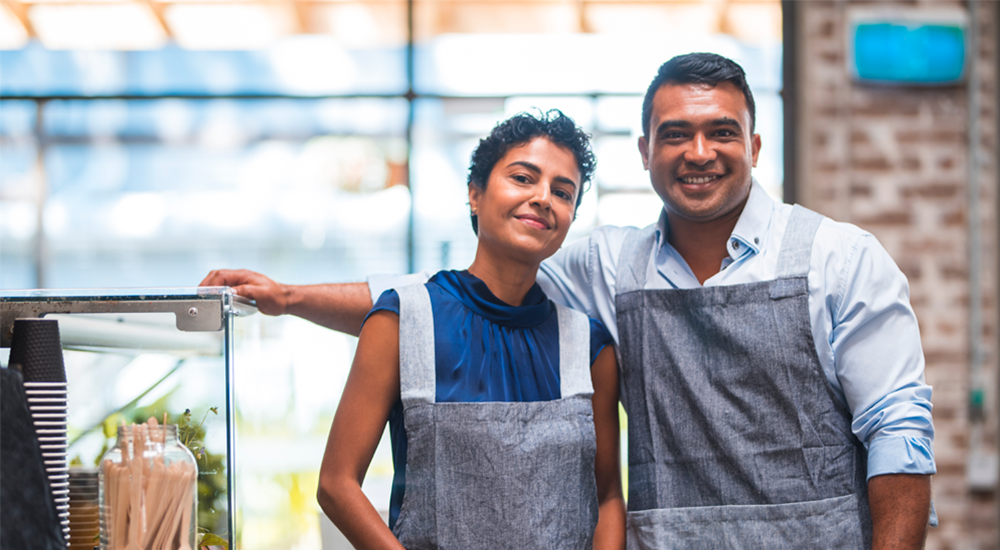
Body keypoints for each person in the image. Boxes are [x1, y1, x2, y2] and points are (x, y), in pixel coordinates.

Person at [201, 53, 935, 548]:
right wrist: (290, 296)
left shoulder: (840, 258)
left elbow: (898, 428)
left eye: (722, 133)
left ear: (755, 145)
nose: (699, 152)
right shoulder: (609, 264)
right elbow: (439, 300)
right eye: (675, 134)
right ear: (645, 151)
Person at [311, 110, 625, 549]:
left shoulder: (589, 347)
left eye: (562, 191)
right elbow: (336, 483)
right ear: (475, 195)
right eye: (522, 178)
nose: (542, 198)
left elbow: (608, 496)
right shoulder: (402, 320)